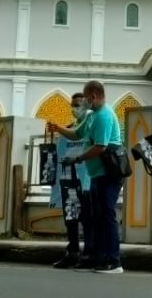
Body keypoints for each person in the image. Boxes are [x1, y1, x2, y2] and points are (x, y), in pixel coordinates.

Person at [50, 80, 123, 274]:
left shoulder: (104, 116)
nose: (83, 105)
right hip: (97, 174)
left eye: (85, 100)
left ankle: (114, 261)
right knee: (97, 216)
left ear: (93, 96)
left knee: (107, 216)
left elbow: (101, 146)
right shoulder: (91, 116)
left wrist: (78, 158)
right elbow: (76, 134)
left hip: (109, 174)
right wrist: (59, 128)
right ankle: (98, 257)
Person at [49, 92, 93, 269]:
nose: (75, 109)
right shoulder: (68, 129)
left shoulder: (91, 125)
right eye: (73, 105)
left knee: (88, 218)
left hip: (87, 180)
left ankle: (89, 253)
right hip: (69, 180)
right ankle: (73, 252)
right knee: (71, 216)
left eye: (78, 105)